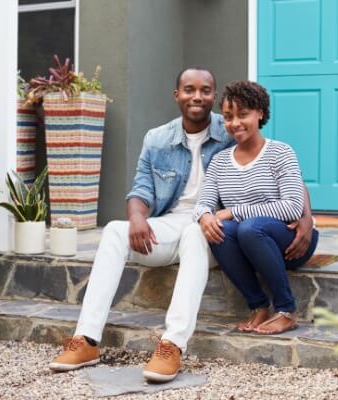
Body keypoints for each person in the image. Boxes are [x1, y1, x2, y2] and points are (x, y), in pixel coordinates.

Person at [49, 68, 313, 382]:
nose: (197, 97)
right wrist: (136, 218)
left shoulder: (231, 126)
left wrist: (306, 216)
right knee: (113, 231)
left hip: (215, 232)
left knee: (195, 230)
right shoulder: (158, 139)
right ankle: (87, 339)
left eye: (205, 91)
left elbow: (283, 173)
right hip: (173, 223)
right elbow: (141, 189)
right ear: (177, 95)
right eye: (189, 89)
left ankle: (172, 344)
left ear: (215, 98)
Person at [194, 80, 319, 335]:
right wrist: (205, 215)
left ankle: (286, 310)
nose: (235, 123)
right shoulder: (219, 162)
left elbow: (292, 208)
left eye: (243, 114)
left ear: (259, 113)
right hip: (250, 240)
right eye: (228, 117)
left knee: (248, 227)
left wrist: (234, 211)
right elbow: (204, 203)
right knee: (220, 229)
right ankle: (259, 306)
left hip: (290, 240)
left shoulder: (280, 152)